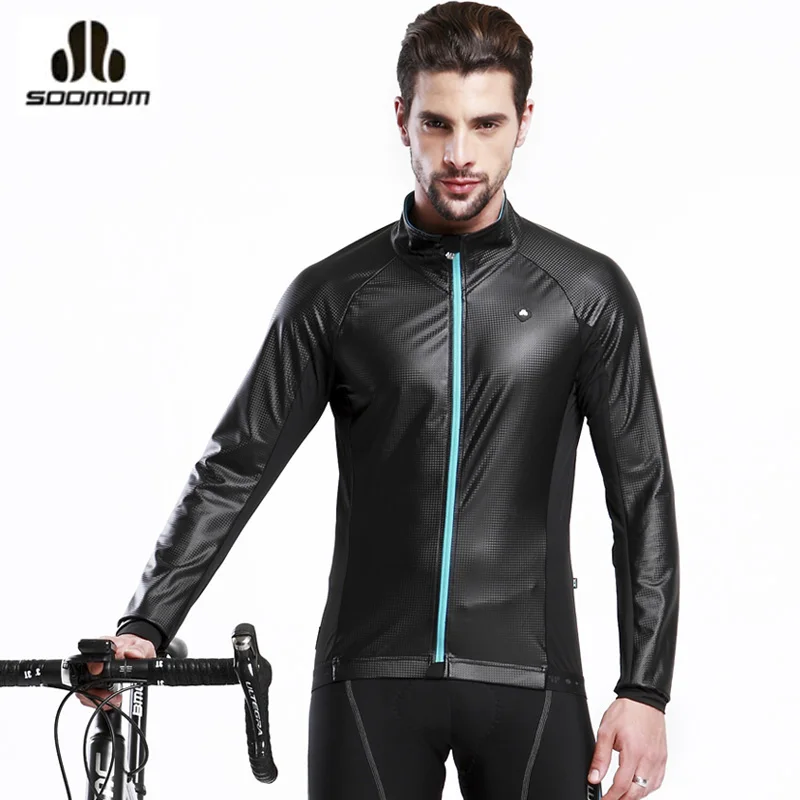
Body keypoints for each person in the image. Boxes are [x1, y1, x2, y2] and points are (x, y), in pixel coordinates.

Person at [79, 2, 680, 798]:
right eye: (436, 124)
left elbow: (640, 495)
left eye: (486, 124)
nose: (459, 154)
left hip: (531, 680)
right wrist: (146, 623)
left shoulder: (586, 292)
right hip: (368, 681)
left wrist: (645, 688)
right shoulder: (337, 296)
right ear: (402, 119)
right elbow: (236, 465)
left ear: (524, 122)